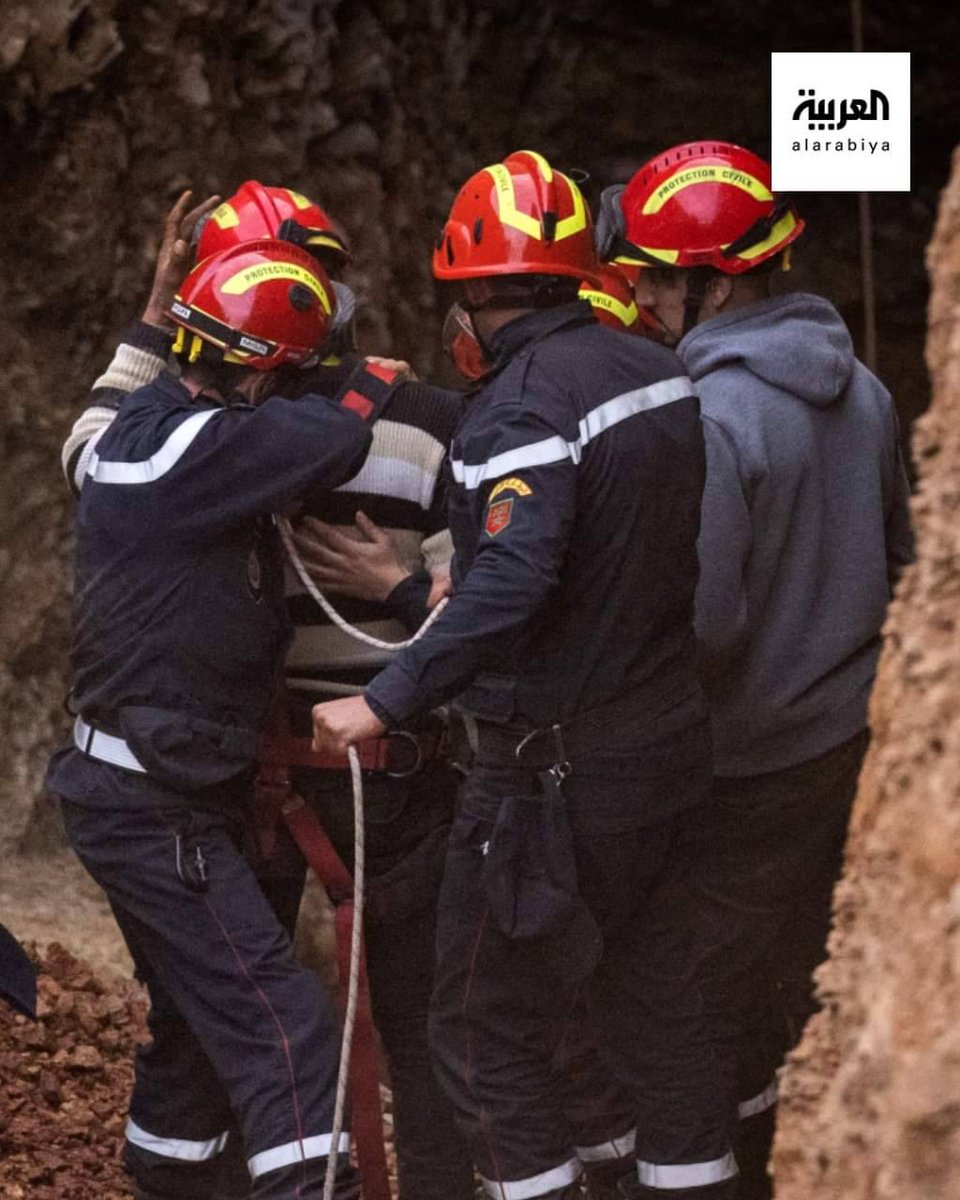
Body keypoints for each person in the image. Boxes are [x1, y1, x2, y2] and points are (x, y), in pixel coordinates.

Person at [313, 150, 740, 1200]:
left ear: (470, 292)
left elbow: (511, 579)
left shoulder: (519, 407)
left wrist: (382, 699)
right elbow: (598, 563)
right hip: (667, 746)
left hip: (554, 776)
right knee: (657, 1008)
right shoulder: (652, 368)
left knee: (475, 1025)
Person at [61, 183, 475, 1200]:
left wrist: (157, 317)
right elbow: (484, 609)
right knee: (293, 1027)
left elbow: (90, 441)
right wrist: (407, 585)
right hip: (277, 778)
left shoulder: (153, 425)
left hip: (272, 779)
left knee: (223, 1022)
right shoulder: (362, 424)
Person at [602, 139, 914, 1197]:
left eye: (651, 275)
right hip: (843, 749)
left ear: (716, 280)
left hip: (741, 763)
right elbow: (899, 559)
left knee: (683, 998)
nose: (638, 297)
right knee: (778, 992)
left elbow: (706, 623)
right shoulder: (864, 388)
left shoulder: (714, 414)